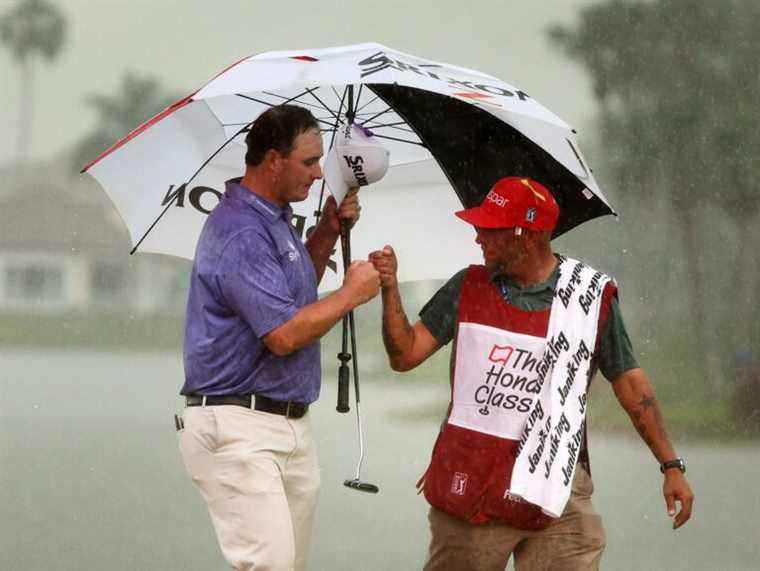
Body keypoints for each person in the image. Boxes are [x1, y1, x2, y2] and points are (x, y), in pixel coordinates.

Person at [370, 177, 694, 570]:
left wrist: (670, 466)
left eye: (490, 229)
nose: (478, 238)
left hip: (557, 486)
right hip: (472, 482)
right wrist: (390, 289)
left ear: (526, 236)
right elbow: (404, 355)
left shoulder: (588, 298)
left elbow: (629, 382)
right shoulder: (467, 287)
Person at [178, 104, 380, 571]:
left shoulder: (274, 218)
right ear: (273, 160)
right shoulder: (241, 231)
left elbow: (293, 294)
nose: (317, 175)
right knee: (271, 567)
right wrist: (350, 295)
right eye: (309, 162)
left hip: (284, 424)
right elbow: (283, 335)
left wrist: (328, 230)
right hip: (238, 425)